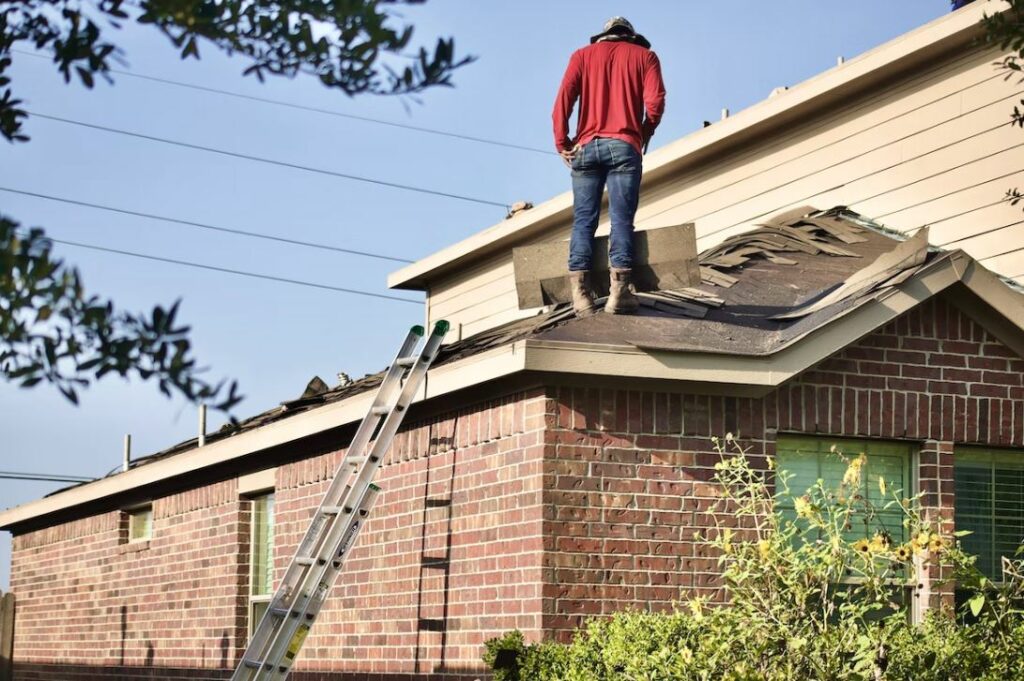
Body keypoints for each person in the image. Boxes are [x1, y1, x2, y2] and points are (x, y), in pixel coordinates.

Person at [552, 16, 666, 316]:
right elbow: (655, 103)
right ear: (631, 37)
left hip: (586, 148)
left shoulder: (581, 56)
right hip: (624, 146)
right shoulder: (646, 57)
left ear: (603, 36)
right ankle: (619, 292)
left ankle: (580, 296)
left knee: (583, 221)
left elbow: (563, 100)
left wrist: (562, 143)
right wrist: (643, 132)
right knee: (622, 219)